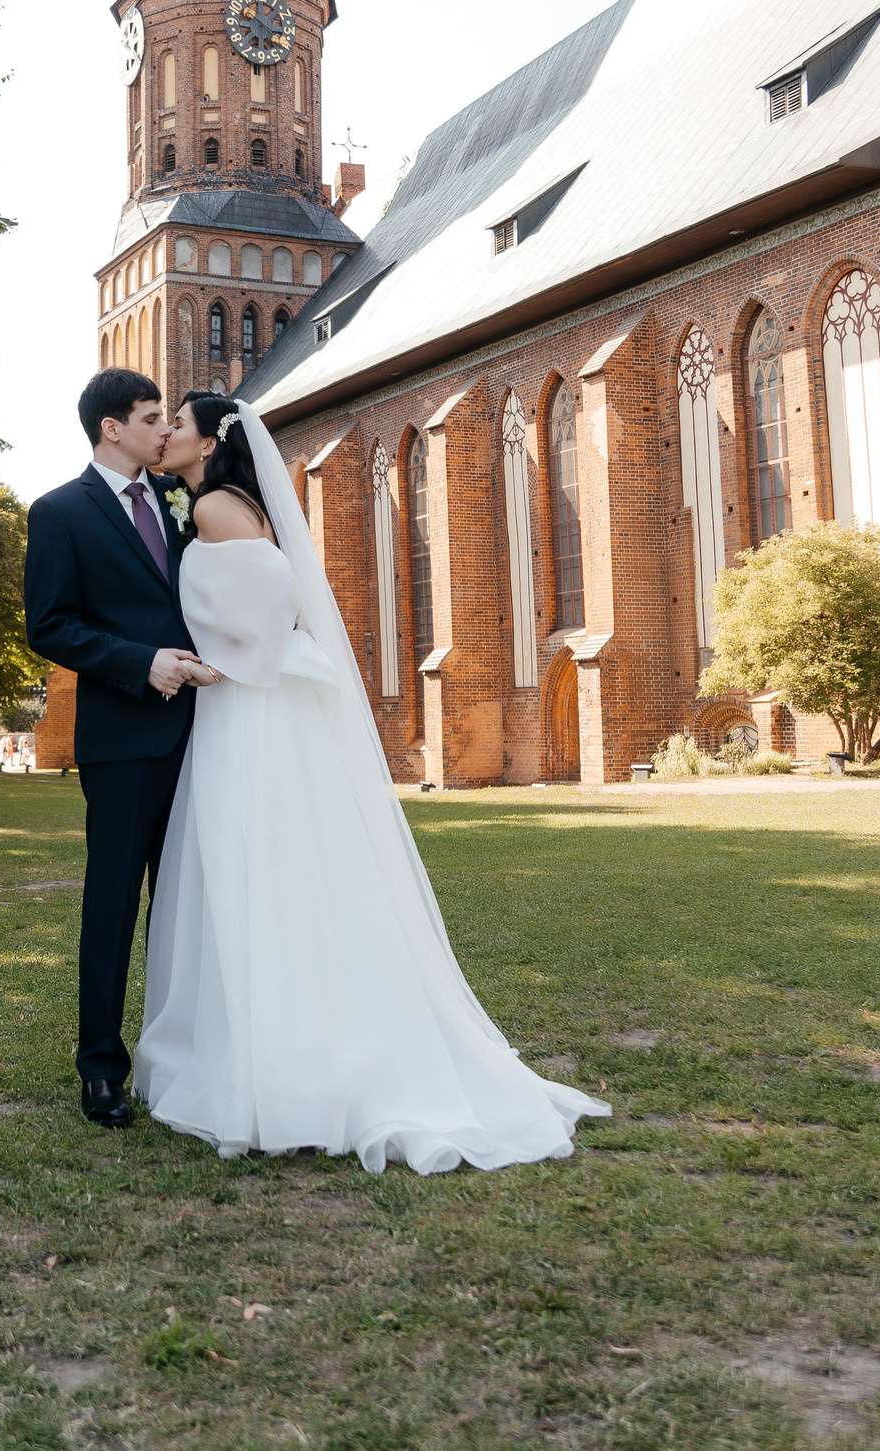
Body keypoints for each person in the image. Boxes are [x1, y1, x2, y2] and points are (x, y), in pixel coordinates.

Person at [126, 391, 608, 1175]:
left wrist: (217, 664)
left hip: (246, 711)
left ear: (212, 440)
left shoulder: (215, 505)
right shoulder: (242, 501)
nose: (166, 433)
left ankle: (267, 1063)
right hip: (266, 705)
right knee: (294, 867)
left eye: (178, 423)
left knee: (250, 865)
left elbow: (268, 608)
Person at [23, 368, 222, 1130]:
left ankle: (184, 1057)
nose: (163, 428)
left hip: (200, 736)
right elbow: (50, 625)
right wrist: (141, 662)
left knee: (185, 908)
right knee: (112, 906)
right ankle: (101, 1068)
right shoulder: (58, 513)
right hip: (121, 741)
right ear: (112, 428)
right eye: (150, 417)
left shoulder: (181, 505)